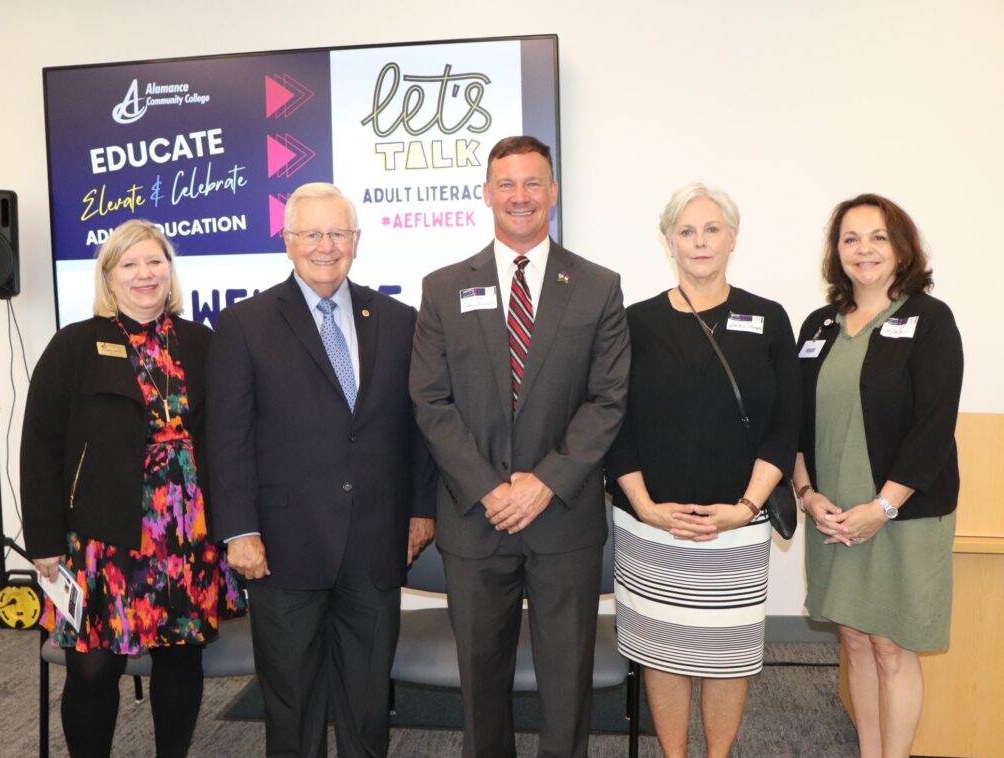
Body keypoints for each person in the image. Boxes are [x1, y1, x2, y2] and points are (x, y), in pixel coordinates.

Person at [410, 135, 630, 758]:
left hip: (562, 517)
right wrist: (489, 488)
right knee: (480, 683)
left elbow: (608, 400)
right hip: (475, 520)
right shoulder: (443, 287)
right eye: (506, 184)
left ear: (554, 192)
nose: (520, 196)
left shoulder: (597, 286)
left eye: (533, 183)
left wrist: (543, 482)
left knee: (567, 683)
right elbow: (430, 402)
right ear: (486, 194)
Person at [207, 182, 436, 757]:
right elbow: (227, 438)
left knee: (366, 705)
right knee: (293, 703)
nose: (325, 246)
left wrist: (421, 510)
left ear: (356, 241)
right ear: (288, 242)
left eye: (337, 233)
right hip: (282, 547)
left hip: (376, 541)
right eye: (311, 234)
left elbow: (418, 428)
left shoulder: (398, 319)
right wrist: (239, 531)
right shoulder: (245, 324)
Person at [20, 219, 245, 758]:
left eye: (155, 261)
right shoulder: (75, 345)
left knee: (179, 659)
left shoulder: (201, 342)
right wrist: (45, 541)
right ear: (109, 277)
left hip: (187, 537)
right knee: (94, 670)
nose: (145, 274)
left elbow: (229, 437)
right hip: (103, 537)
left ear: (170, 272)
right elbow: (39, 448)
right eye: (131, 264)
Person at [605, 183, 800, 757]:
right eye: (686, 231)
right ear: (669, 242)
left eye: (711, 229)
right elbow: (614, 424)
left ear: (733, 238)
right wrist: (643, 506)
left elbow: (785, 426)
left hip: (737, 527)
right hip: (651, 525)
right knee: (662, 651)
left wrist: (745, 508)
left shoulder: (767, 319)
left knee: (726, 656)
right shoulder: (634, 322)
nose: (699, 241)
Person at [793, 194, 963, 758]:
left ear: (901, 248)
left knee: (892, 646)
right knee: (854, 638)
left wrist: (881, 509)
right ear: (836, 251)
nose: (862, 249)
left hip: (901, 515)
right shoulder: (819, 324)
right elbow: (794, 420)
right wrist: (807, 495)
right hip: (835, 514)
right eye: (850, 238)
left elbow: (933, 427)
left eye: (877, 237)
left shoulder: (928, 319)